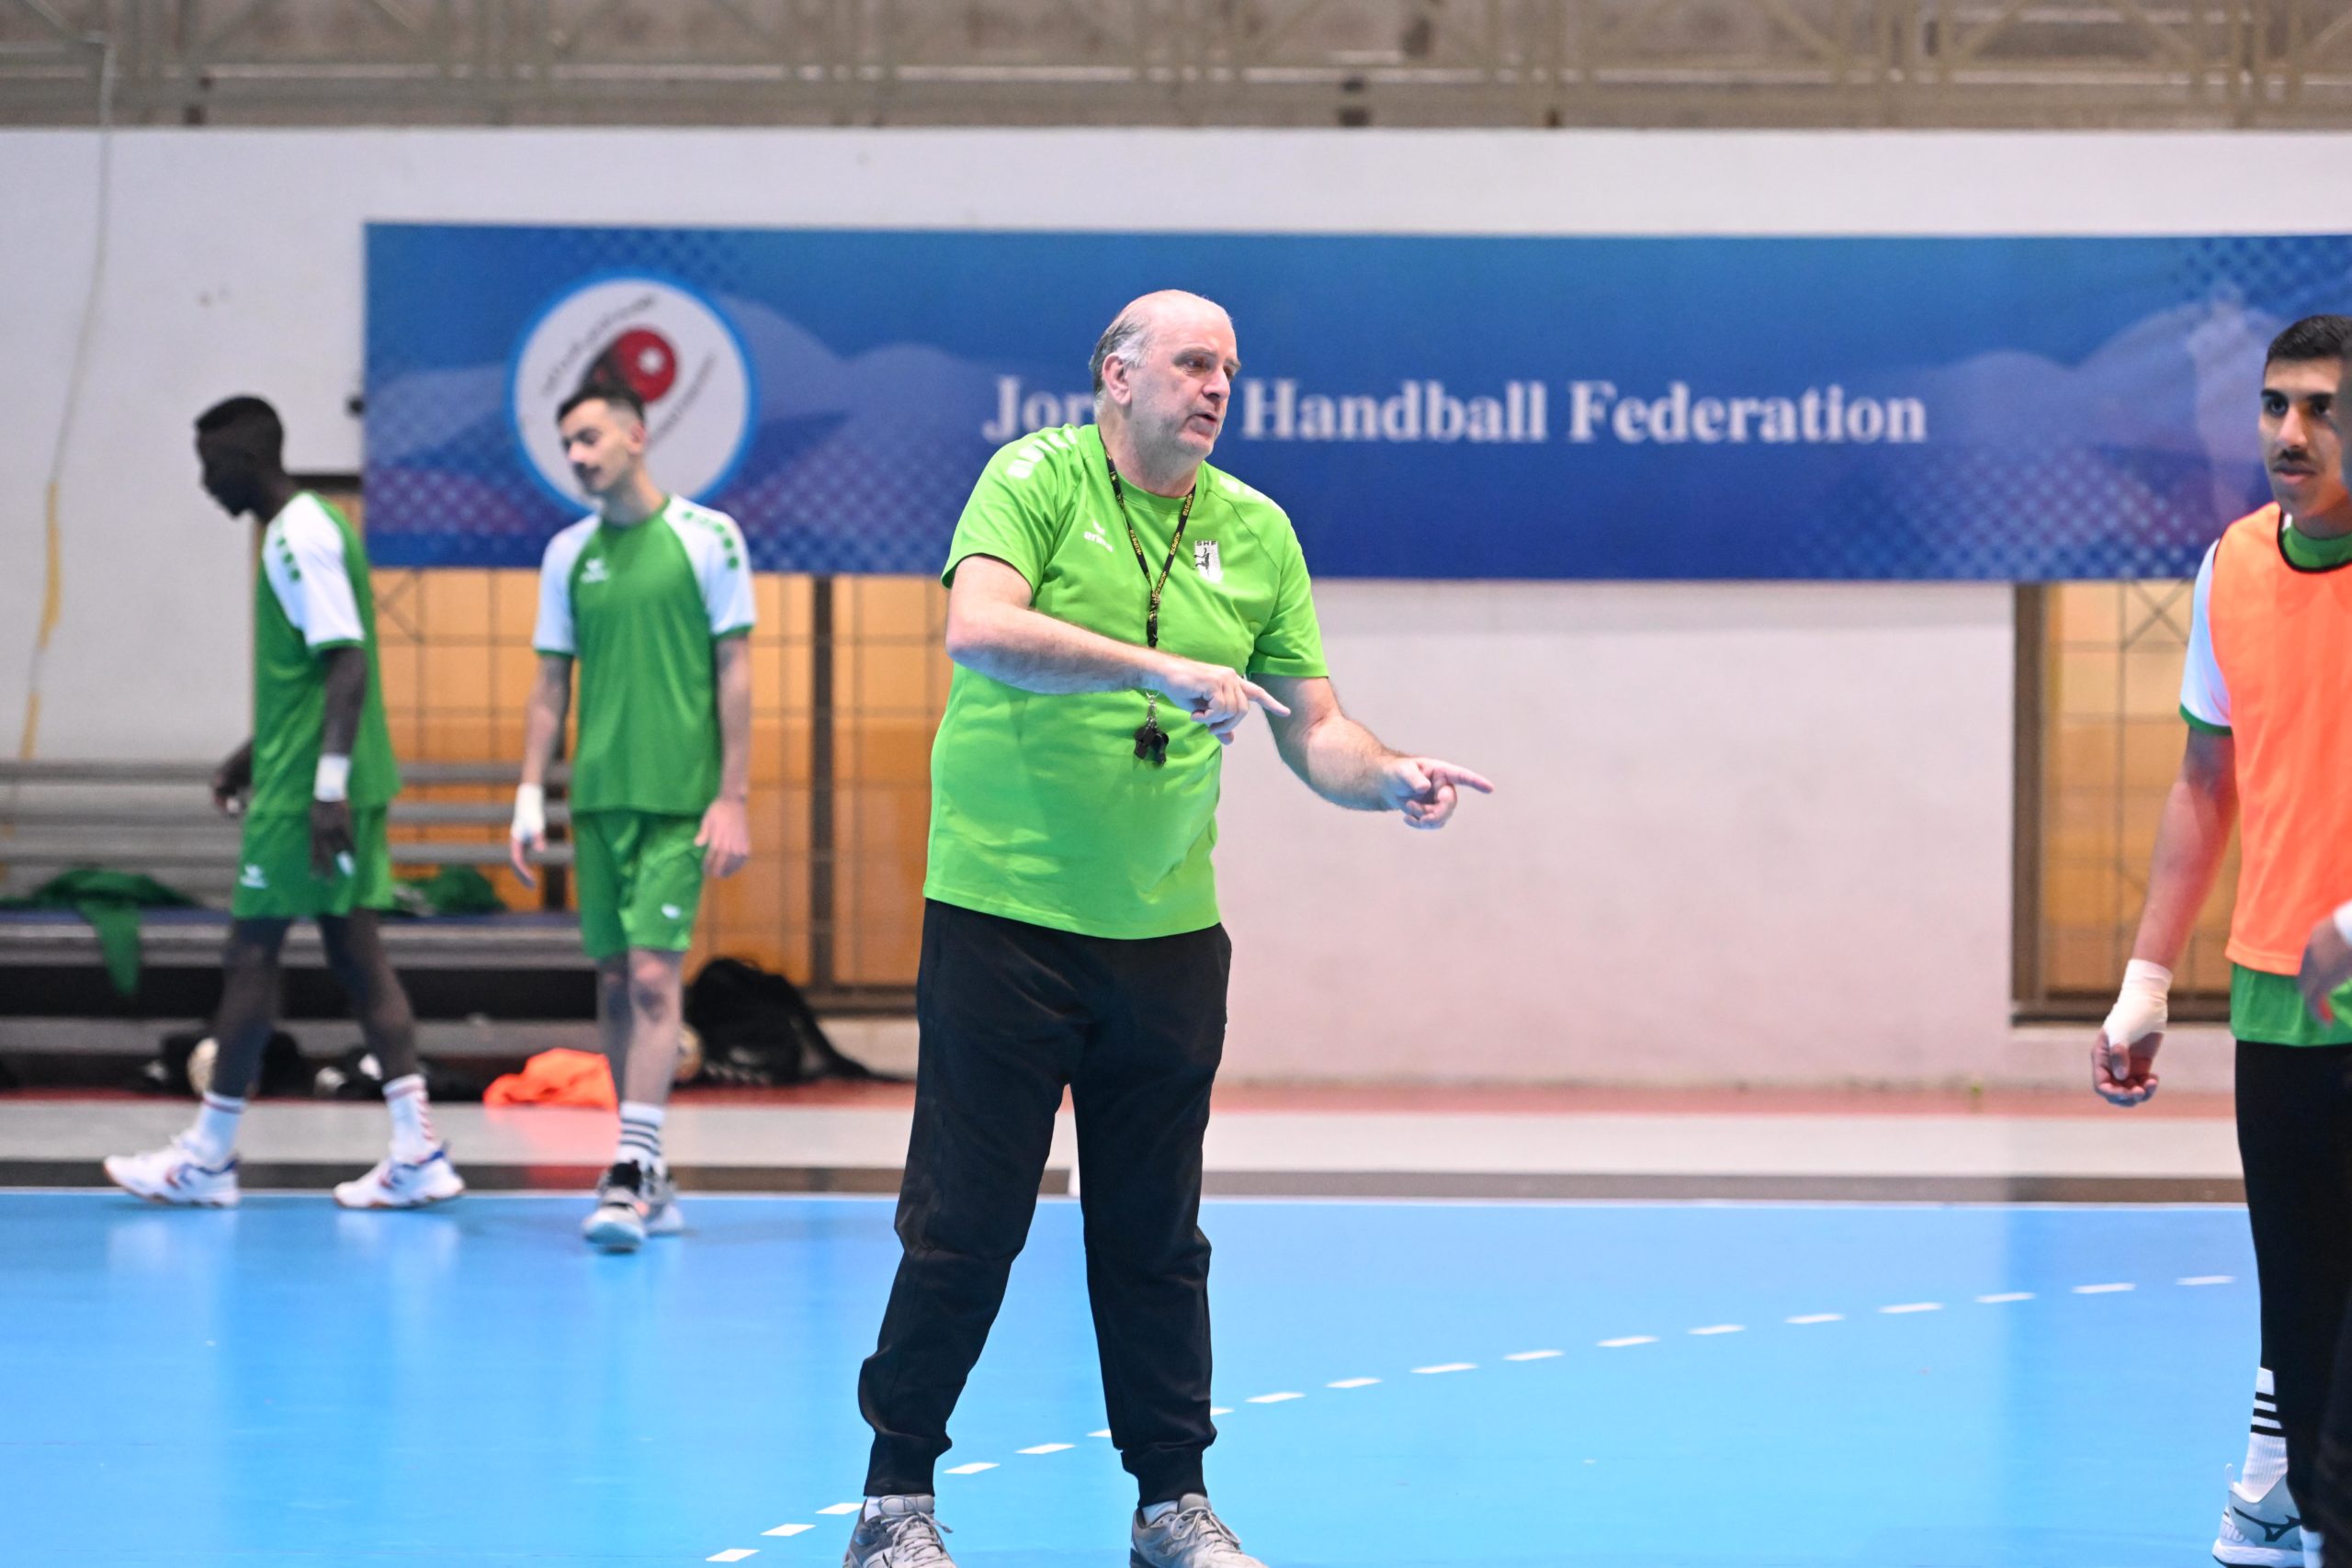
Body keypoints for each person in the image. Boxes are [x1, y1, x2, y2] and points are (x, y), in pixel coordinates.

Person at [842, 291, 1492, 1568]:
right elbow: (980, 630)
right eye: (1194, 363)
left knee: (1155, 1234)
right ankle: (893, 1498)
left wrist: (1388, 777)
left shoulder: (1256, 529)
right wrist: (1155, 669)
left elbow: (1316, 725)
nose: (1216, 388)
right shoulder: (1033, 478)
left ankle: (1171, 1505)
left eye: (1230, 370)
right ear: (1117, 373)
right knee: (968, 1221)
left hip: (1167, 933)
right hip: (1004, 915)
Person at [2093, 315, 2352, 1568]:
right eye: (2273, 405)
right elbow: (2207, 779)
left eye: (2322, 409)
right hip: (2279, 1005)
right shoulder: (2233, 567)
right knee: (2301, 1313)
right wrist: (2147, 979)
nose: (2290, 433)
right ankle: (2276, 1489)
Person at [105, 396, 460, 1211]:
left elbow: (347, 664)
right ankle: (418, 1150)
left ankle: (208, 1157)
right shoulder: (307, 528)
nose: (206, 484)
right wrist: (250, 753)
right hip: (314, 775)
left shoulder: (298, 536)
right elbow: (309, 679)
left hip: (309, 795)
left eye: (210, 465)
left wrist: (323, 789)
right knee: (356, 957)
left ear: (245, 457)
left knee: (251, 957)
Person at [509, 385, 753, 1252]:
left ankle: (628, 1165)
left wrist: (732, 795)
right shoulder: (567, 554)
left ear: (636, 436)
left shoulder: (709, 537)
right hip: (598, 799)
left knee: (653, 976)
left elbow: (734, 671)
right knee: (616, 981)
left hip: (680, 802)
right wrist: (530, 792)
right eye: (567, 444)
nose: (577, 456)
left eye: (589, 437)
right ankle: (648, 1162)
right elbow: (550, 686)